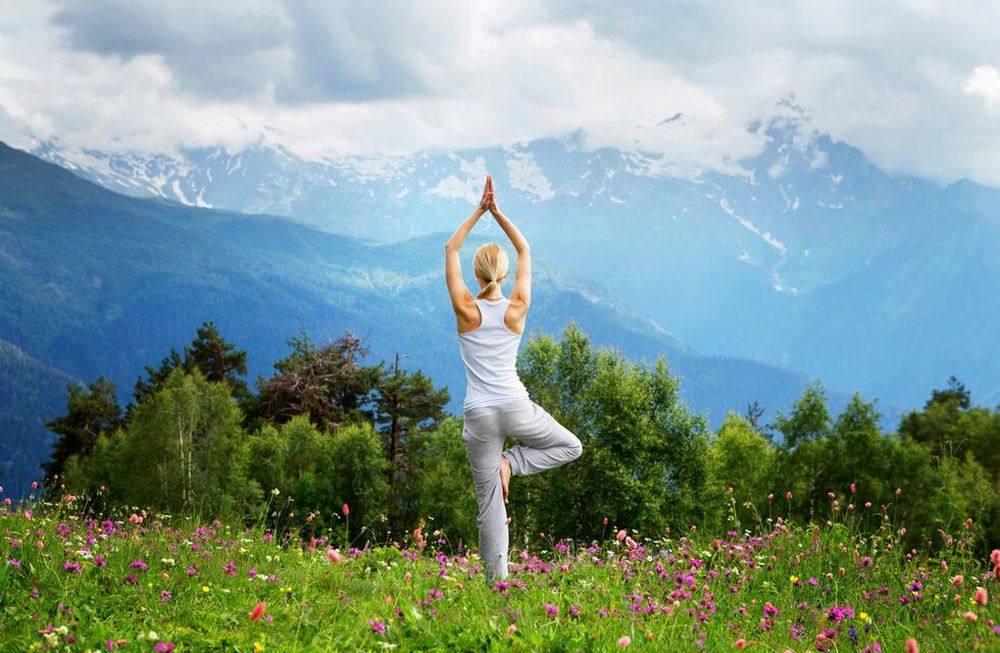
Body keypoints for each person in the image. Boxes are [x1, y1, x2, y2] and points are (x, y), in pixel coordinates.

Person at [444, 173, 583, 583]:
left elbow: (450, 247)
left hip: (480, 415)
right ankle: (513, 464)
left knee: (490, 504)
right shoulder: (516, 308)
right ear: (503, 275)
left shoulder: (465, 310)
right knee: (571, 446)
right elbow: (524, 247)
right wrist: (498, 212)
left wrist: (478, 210)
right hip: (516, 407)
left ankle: (497, 584)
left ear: (476, 272)